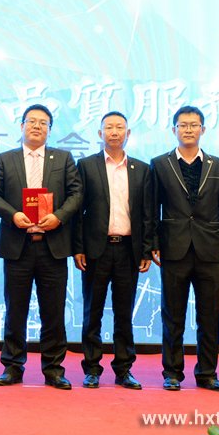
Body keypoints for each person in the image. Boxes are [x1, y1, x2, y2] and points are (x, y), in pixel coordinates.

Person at [0, 104, 83, 390]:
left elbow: (77, 194)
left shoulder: (63, 158)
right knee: (15, 310)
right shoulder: (6, 159)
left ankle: (53, 369)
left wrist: (59, 217)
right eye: (32, 121)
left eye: (43, 123)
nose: (37, 126)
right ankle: (12, 366)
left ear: (50, 130)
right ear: (22, 126)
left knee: (53, 312)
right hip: (18, 246)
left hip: (53, 246)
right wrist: (13, 215)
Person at [150, 105, 219, 392]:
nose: (188, 129)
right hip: (173, 249)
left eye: (194, 125)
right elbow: (151, 209)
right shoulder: (159, 164)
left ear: (203, 129)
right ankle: (172, 373)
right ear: (173, 129)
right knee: (172, 316)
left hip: (212, 250)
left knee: (209, 316)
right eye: (183, 125)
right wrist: (153, 243)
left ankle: (207, 373)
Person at [73, 111, 152, 390]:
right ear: (100, 133)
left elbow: (147, 214)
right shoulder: (86, 166)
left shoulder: (142, 169)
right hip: (97, 249)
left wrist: (146, 250)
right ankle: (92, 368)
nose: (114, 132)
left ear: (128, 134)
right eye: (109, 128)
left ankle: (124, 369)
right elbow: (77, 211)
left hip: (129, 250)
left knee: (124, 312)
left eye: (120, 127)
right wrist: (78, 247)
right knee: (92, 311)